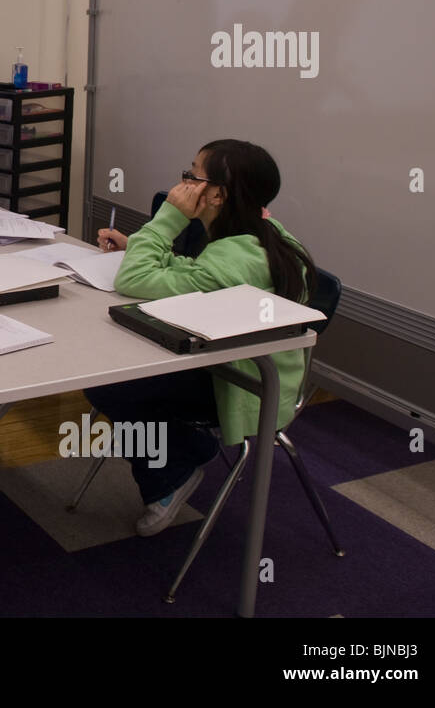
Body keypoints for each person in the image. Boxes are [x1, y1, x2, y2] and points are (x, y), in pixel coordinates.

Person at [87, 139, 318, 536]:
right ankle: (176, 453)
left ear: (218, 195)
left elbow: (134, 282)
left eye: (193, 175)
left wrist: (166, 221)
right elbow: (197, 277)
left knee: (108, 383)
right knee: (112, 372)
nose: (183, 183)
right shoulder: (258, 233)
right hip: (221, 358)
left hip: (241, 384)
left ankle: (179, 463)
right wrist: (137, 247)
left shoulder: (236, 259)